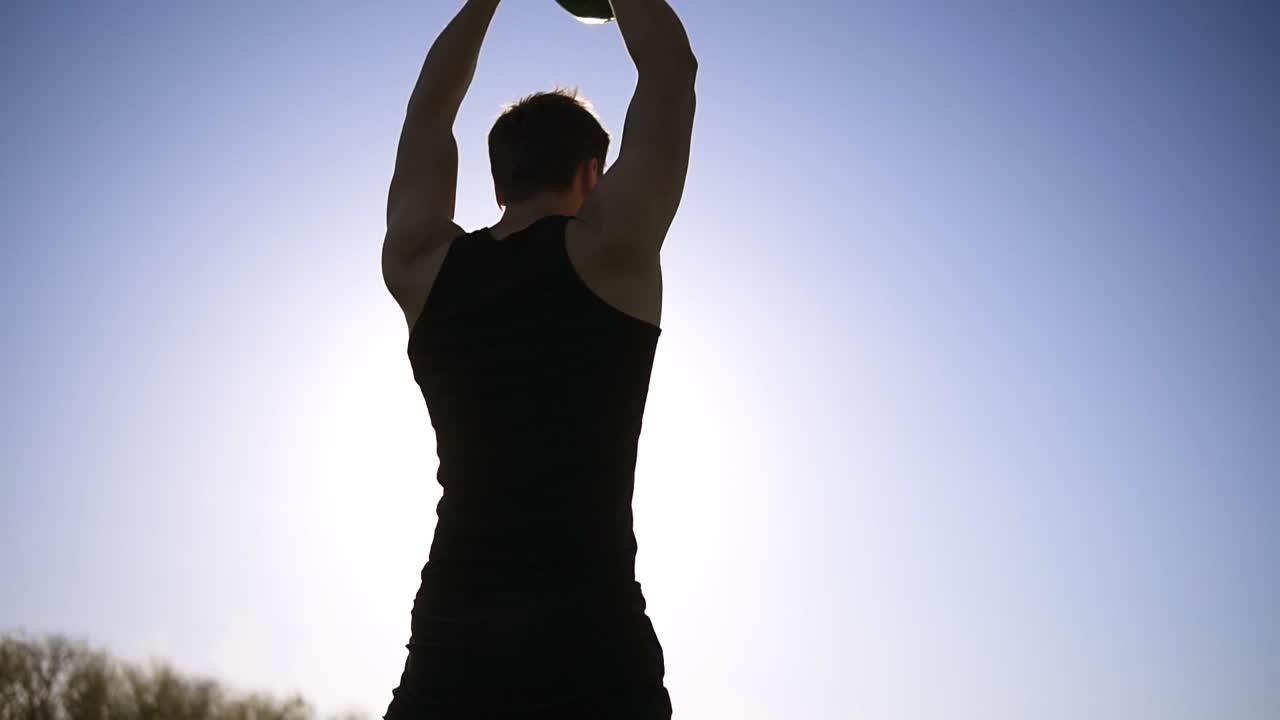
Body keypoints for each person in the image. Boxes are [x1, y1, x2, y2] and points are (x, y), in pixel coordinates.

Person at [379, 0, 697, 717]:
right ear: (592, 171)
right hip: (594, 645)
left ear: (498, 182)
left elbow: (428, 112)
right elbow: (671, 71)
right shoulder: (614, 250)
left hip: (455, 642)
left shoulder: (419, 267)